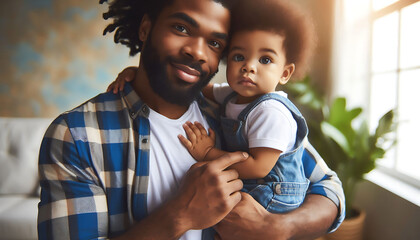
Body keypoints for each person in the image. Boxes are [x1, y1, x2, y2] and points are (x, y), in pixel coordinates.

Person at [38, 0, 345, 240]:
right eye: (182, 28)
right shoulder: (77, 135)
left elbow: (329, 187)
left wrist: (278, 228)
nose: (197, 52)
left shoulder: (234, 112)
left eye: (214, 43)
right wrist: (180, 215)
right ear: (145, 29)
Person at [112, 0, 316, 216]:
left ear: (285, 73)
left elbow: (259, 168)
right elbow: (199, 84)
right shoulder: (230, 95)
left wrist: (208, 153)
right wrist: (136, 72)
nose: (249, 66)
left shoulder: (272, 112)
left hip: (274, 195)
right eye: (239, 57)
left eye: (265, 59)